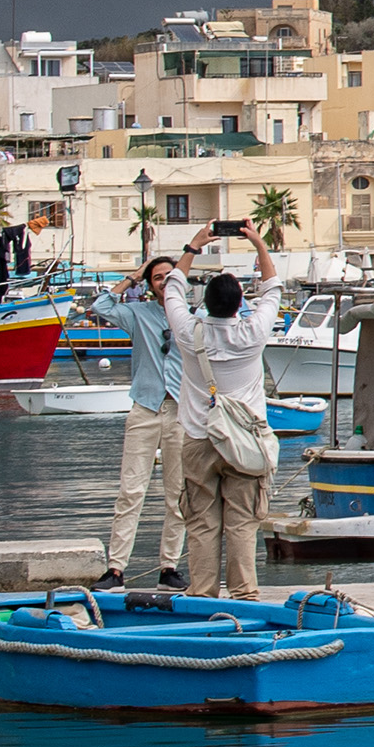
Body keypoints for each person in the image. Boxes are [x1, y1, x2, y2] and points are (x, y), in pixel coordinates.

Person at [161, 230, 278, 600]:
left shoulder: (187, 332)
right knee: (243, 523)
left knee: (201, 524)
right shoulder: (254, 332)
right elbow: (273, 287)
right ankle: (245, 597)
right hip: (245, 443)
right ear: (240, 302)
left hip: (198, 438)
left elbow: (172, 288)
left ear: (205, 303)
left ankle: (203, 596)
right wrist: (259, 244)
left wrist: (194, 243)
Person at [101, 253, 187, 591]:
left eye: (169, 276)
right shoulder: (138, 315)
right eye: (157, 278)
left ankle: (169, 567)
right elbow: (102, 306)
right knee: (130, 491)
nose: (164, 282)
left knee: (177, 495)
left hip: (179, 411)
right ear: (150, 286)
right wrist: (133, 276)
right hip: (145, 409)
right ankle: (116, 569)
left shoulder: (192, 318)